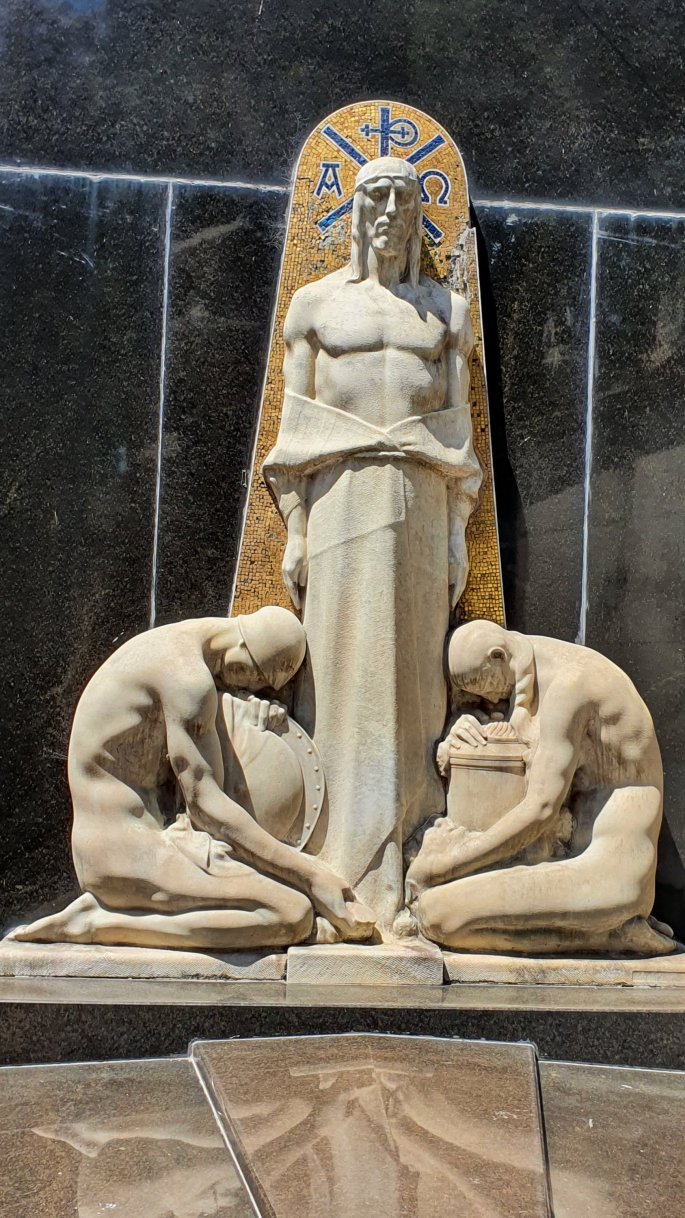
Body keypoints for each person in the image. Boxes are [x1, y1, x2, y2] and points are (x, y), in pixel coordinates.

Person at [263, 156, 482, 928]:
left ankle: (405, 848)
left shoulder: (447, 311)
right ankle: (331, 854)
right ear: (352, 209)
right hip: (338, 498)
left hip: (419, 502)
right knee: (335, 667)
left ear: (420, 213)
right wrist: (295, 531)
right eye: (375, 195)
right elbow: (295, 431)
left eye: (403, 197)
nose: (389, 209)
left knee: (414, 674)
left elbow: (455, 433)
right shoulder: (315, 306)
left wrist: (454, 535)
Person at [14, 607, 374, 949]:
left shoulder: (171, 647)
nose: (249, 693)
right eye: (258, 684)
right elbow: (206, 807)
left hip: (125, 843)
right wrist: (312, 875)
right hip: (125, 854)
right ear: (244, 658)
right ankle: (98, 925)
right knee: (290, 914)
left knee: (284, 901)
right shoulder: (188, 681)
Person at [406, 620, 675, 955]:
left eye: (488, 688)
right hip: (562, 861)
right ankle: (605, 930)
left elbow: (541, 810)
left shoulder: (571, 688)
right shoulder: (534, 672)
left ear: (498, 656)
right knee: (438, 910)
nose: (491, 699)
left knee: (438, 916)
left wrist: (444, 865)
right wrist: (460, 729)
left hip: (609, 873)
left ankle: (613, 931)